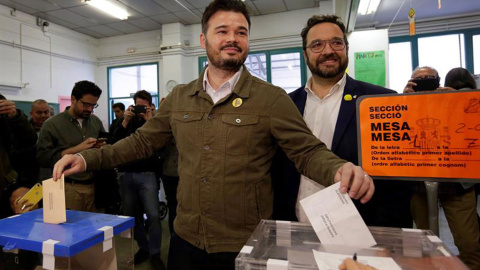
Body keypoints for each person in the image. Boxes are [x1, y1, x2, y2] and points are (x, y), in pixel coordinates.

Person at [52, 1, 374, 269]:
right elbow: (141, 141)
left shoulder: (271, 99)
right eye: (222, 31)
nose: (233, 38)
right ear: (204, 40)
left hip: (246, 243)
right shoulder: (180, 98)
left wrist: (337, 168)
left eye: (241, 32)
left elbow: (305, 151)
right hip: (185, 239)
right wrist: (86, 158)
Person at [272, 14, 413, 228]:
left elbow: (397, 182)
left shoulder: (379, 101)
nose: (328, 51)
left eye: (336, 43)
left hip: (360, 229)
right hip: (295, 226)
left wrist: (386, 238)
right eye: (317, 45)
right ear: (305, 54)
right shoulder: (285, 104)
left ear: (346, 48)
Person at [404, 66, 480, 269]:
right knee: (426, 243)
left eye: (429, 77)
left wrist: (459, 101)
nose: (424, 81)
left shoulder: (454, 99)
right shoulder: (403, 104)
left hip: (456, 181)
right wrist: (403, 102)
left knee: (469, 242)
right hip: (419, 183)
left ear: (438, 80)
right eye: (418, 79)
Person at [111, 90, 164, 270]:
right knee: (130, 216)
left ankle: (155, 253)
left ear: (150, 105)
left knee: (154, 215)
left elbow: (161, 143)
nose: (140, 109)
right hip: (126, 174)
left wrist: (150, 120)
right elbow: (114, 142)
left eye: (144, 106)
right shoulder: (125, 121)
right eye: (137, 105)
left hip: (148, 174)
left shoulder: (155, 122)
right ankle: (144, 247)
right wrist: (125, 120)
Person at [37, 81, 106, 212]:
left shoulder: (95, 122)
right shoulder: (51, 124)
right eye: (86, 104)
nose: (90, 109)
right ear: (73, 99)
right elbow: (43, 158)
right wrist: (78, 148)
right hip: (66, 187)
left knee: (93, 230)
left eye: (93, 105)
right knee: (69, 231)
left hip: (94, 187)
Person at [0, 94, 39, 270]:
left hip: (11, 188)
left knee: (17, 243)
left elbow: (28, 140)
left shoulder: (9, 118)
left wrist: (15, 116)